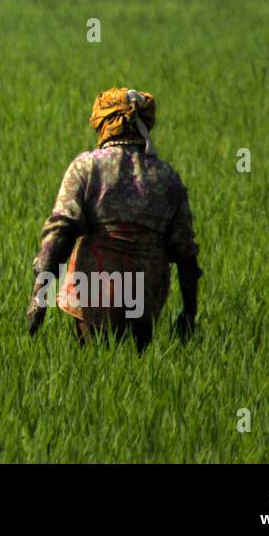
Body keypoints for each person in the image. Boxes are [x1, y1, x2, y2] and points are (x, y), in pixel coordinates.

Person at [26, 88, 201, 352]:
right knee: (136, 371)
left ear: (106, 124)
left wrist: (39, 300)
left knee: (92, 370)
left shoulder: (87, 166)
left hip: (93, 290)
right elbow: (185, 251)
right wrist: (189, 313)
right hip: (145, 292)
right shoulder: (166, 176)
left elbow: (60, 233)